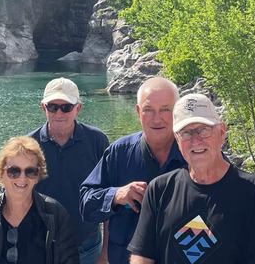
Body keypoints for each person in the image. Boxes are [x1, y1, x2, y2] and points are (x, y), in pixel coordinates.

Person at [128, 93, 255, 264]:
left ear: (222, 132)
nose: (196, 140)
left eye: (203, 130)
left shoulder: (253, 192)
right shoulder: (159, 189)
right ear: (177, 140)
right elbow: (143, 255)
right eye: (186, 133)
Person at [79, 77, 186, 264]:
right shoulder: (120, 152)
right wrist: (116, 195)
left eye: (165, 110)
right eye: (148, 110)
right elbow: (85, 205)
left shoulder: (195, 154)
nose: (157, 118)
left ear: (177, 111)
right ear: (138, 111)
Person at [0, 136, 79, 264]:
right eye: (14, 171)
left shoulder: (55, 214)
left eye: (30, 171)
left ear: (37, 177)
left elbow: (69, 260)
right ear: (1, 176)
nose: (22, 178)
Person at [27, 78, 110, 264]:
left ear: (78, 108)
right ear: (43, 107)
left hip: (87, 246)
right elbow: (15, 197)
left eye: (66, 107)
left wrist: (106, 252)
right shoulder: (29, 145)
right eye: (52, 107)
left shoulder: (97, 141)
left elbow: (110, 197)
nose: (59, 113)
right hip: (41, 246)